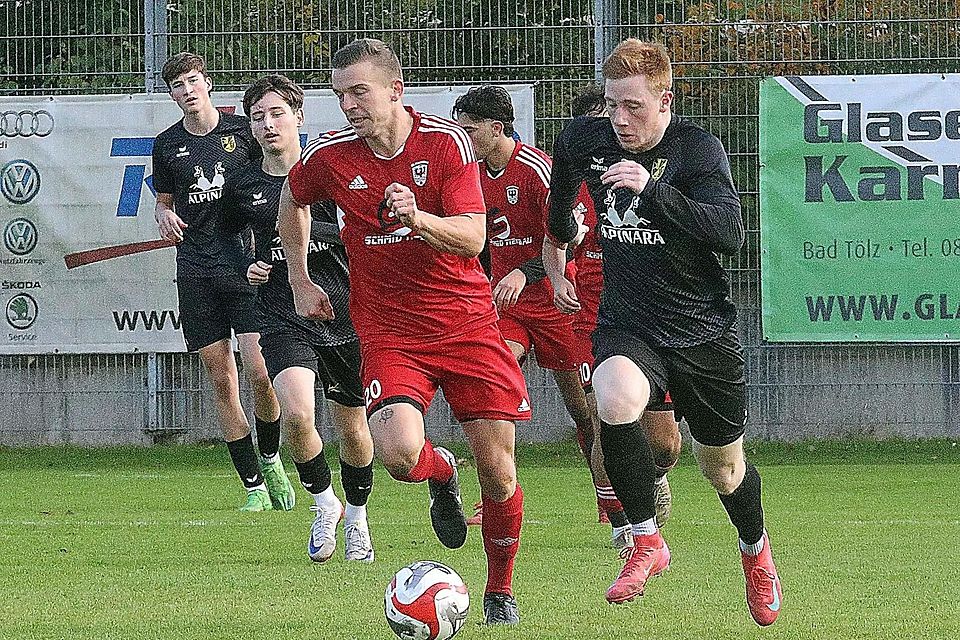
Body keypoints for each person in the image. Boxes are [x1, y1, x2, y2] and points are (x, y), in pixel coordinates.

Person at [278, 39, 529, 626]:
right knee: (396, 453)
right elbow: (292, 199)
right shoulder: (332, 156)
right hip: (391, 331)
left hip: (465, 322)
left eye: (359, 92)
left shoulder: (447, 143)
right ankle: (442, 472)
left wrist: (416, 218)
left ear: (395, 90)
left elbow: (473, 238)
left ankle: (498, 590)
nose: (348, 106)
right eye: (340, 95)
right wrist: (298, 280)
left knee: (500, 469)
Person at [546, 40, 782, 626]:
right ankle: (645, 538)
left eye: (633, 107)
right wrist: (560, 238)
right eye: (611, 106)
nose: (619, 120)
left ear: (664, 100)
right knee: (614, 395)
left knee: (722, 468)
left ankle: (754, 549)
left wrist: (652, 191)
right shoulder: (586, 138)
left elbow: (729, 233)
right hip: (631, 325)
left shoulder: (698, 151)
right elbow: (559, 191)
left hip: (702, 332)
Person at [219, 74, 376, 563]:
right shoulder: (243, 184)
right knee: (298, 413)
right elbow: (220, 241)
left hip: (345, 309)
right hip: (283, 313)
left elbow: (361, 226)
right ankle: (323, 505)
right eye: (258, 118)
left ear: (299, 117)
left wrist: (305, 239)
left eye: (277, 114)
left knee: (353, 429)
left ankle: (356, 517)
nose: (268, 126)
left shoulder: (328, 170)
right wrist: (247, 264)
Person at [152, 52, 291, 513]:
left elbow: (272, 184)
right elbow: (164, 203)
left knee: (259, 371)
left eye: (193, 81)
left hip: (246, 267)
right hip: (195, 269)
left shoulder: (241, 133)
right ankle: (252, 485)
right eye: (177, 86)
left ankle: (270, 456)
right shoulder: (166, 145)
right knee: (221, 378)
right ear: (171, 95)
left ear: (208, 84)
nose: (187, 91)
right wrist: (164, 213)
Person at [545, 85, 682, 547]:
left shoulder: (658, 175)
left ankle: (649, 478)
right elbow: (554, 238)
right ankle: (622, 520)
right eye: (607, 116)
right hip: (596, 319)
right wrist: (559, 277)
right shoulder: (575, 189)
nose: (615, 128)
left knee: (664, 446)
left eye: (626, 114)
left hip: (653, 317)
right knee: (605, 416)